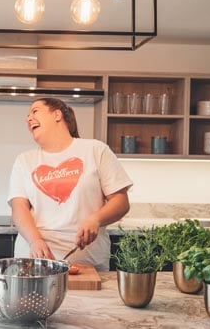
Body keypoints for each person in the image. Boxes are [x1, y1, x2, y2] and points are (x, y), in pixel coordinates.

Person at [8, 97, 133, 271]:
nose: (28, 119)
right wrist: (35, 240)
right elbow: (18, 208)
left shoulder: (96, 150)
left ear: (57, 114)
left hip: (87, 263)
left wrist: (95, 219)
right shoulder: (24, 160)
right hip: (34, 262)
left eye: (35, 111)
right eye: (28, 115)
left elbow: (121, 202)